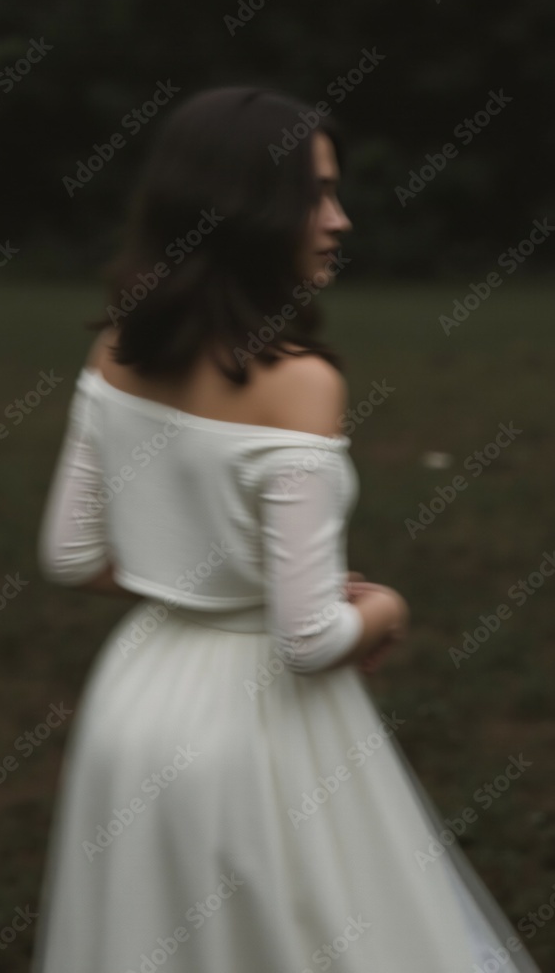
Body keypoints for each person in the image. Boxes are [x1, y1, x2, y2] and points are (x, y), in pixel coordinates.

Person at [30, 86, 542, 972]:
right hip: (258, 730)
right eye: (316, 196)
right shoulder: (301, 383)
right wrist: (384, 609)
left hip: (132, 706)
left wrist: (196, 589)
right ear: (243, 211)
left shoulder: (116, 349)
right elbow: (305, 641)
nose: (340, 221)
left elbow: (68, 555)